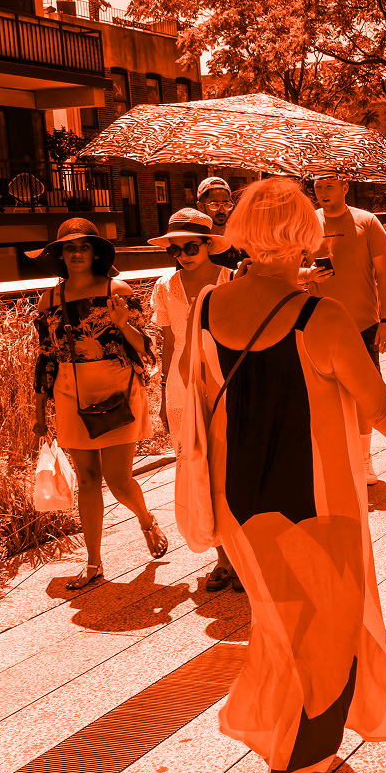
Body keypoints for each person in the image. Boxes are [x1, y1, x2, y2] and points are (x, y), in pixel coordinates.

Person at [181, 177, 386, 773]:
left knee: (280, 627)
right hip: (315, 504)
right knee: (325, 639)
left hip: (238, 504)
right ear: (304, 235)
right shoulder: (320, 318)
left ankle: (290, 744)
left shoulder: (205, 308)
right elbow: (376, 402)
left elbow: (188, 398)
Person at [29, 219, 168, 590]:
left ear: (95, 253)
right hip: (69, 388)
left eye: (84, 247)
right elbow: (45, 356)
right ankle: (93, 565)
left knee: (119, 480)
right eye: (69, 248)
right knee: (87, 480)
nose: (77, 254)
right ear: (59, 255)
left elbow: (148, 350)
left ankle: (146, 519)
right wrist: (40, 410)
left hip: (116, 385)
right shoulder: (49, 300)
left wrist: (123, 324)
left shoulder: (116, 289)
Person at [149, 207, 239, 593]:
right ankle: (222, 557)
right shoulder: (164, 286)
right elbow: (169, 343)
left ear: (207, 244)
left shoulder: (230, 281)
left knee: (229, 468)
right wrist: (164, 392)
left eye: (190, 246)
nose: (183, 254)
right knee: (196, 471)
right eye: (175, 248)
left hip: (223, 382)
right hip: (182, 388)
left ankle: (241, 556)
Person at [302, 175, 386, 485]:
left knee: (363, 396)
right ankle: (333, 459)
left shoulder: (366, 222)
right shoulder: (305, 225)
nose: (323, 192)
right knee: (321, 394)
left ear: (344, 187)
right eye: (317, 186)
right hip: (317, 324)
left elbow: (384, 275)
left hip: (363, 324)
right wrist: (308, 274)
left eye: (329, 185)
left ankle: (364, 460)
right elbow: (288, 268)